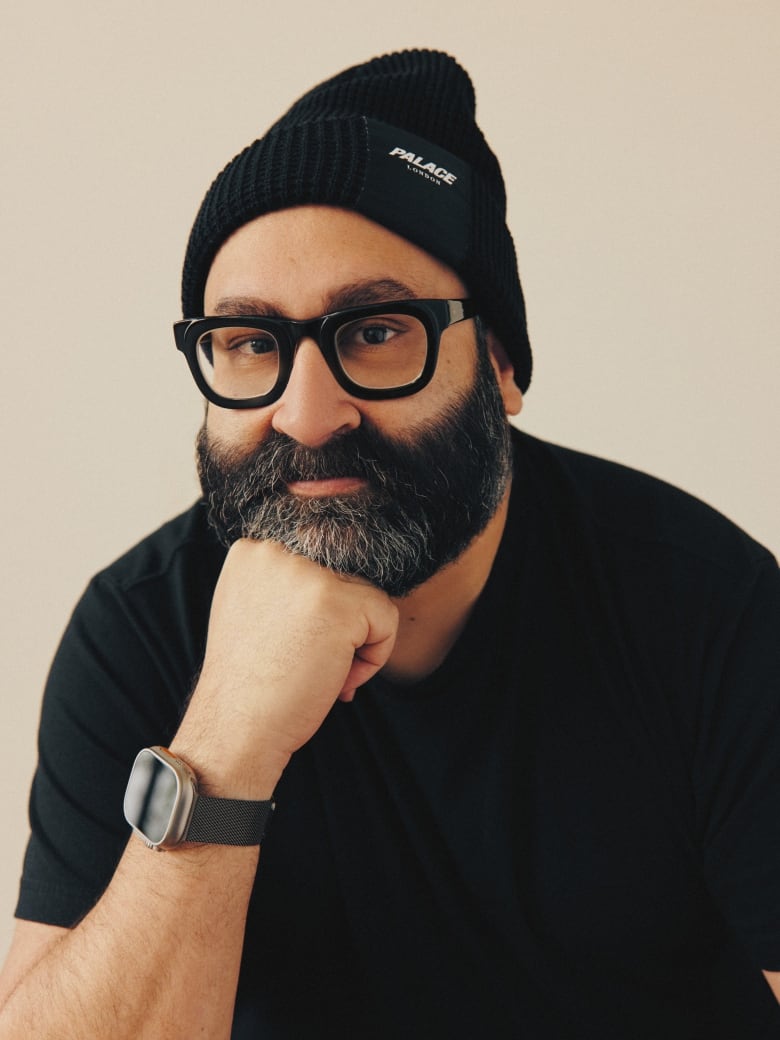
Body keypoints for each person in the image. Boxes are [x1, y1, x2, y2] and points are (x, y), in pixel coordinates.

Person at [0, 49, 778, 1039]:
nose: (306, 412)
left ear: (498, 364)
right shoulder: (143, 624)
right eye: (249, 342)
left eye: (374, 332)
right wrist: (226, 738)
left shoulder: (707, 607)